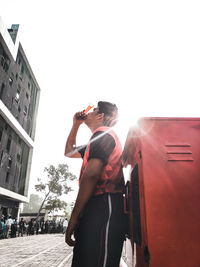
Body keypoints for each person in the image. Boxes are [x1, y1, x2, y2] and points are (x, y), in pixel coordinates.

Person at [65, 101, 126, 267]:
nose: (89, 112)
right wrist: (75, 125)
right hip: (95, 205)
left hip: (104, 205)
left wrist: (73, 217)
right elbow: (69, 151)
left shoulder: (104, 134)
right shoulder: (97, 138)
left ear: (100, 116)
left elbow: (91, 174)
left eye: (94, 110)